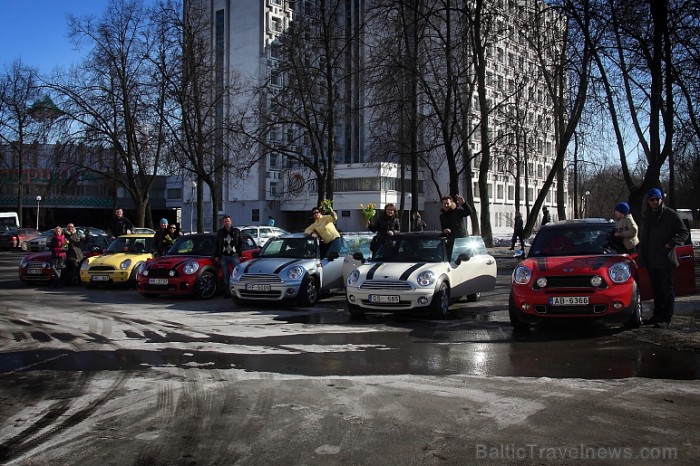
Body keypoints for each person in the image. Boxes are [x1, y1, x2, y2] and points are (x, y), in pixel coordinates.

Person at [638, 188, 689, 328]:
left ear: (661, 200)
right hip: (651, 259)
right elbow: (644, 238)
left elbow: (683, 232)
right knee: (656, 289)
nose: (654, 202)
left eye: (656, 199)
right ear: (648, 201)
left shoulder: (670, 214)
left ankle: (666, 317)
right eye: (651, 199)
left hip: (665, 259)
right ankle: (657, 315)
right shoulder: (647, 215)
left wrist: (671, 243)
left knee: (666, 289)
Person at [215, 215, 243, 298]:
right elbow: (217, 244)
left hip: (234, 256)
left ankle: (237, 291)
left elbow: (241, 242)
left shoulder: (236, 231)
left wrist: (239, 252)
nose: (227, 223)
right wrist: (216, 255)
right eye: (225, 222)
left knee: (237, 273)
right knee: (225, 275)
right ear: (223, 223)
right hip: (224, 256)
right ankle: (228, 292)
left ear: (231, 222)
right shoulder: (220, 232)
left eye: (228, 221)